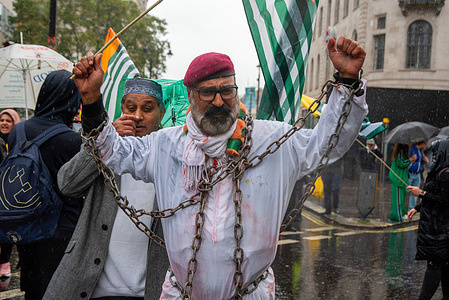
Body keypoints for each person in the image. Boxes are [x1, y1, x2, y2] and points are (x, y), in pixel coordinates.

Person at [73, 36, 367, 298]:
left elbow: (329, 142)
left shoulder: (273, 139)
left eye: (227, 90)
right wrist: (91, 99)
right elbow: (110, 150)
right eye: (207, 92)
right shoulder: (164, 146)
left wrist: (347, 82)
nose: (218, 101)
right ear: (190, 96)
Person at [44, 78, 170, 299]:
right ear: (122, 109)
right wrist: (104, 140)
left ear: (162, 112)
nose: (138, 116)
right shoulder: (106, 146)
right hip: (92, 287)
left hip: (150, 290)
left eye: (147, 109)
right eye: (131, 108)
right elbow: (67, 184)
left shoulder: (172, 156)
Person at [7, 70, 83, 299]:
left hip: (25, 223)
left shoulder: (18, 130)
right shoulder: (72, 140)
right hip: (60, 229)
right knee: (56, 290)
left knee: (31, 287)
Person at [407, 140, 449, 300]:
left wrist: (421, 193)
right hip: (439, 229)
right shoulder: (441, 171)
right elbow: (435, 197)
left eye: (435, 153)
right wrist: (417, 208)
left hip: (440, 230)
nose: (433, 157)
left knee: (434, 265)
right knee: (443, 267)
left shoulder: (445, 174)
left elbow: (444, 200)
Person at [0, 109, 21, 280]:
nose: (4, 123)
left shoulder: (20, 142)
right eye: (2, 120)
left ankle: (4, 263)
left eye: (8, 120)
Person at [389, 143, 414, 222]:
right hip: (398, 178)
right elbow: (400, 163)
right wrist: (410, 160)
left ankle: (398, 215)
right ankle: (398, 217)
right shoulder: (400, 151)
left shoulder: (402, 151)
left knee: (401, 198)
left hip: (401, 178)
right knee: (398, 199)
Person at [408, 140, 429, 211]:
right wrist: (412, 159)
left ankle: (411, 208)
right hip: (410, 173)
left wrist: (424, 159)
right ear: (422, 144)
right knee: (406, 190)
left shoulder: (421, 151)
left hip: (417, 173)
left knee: (415, 192)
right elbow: (407, 160)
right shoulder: (412, 149)